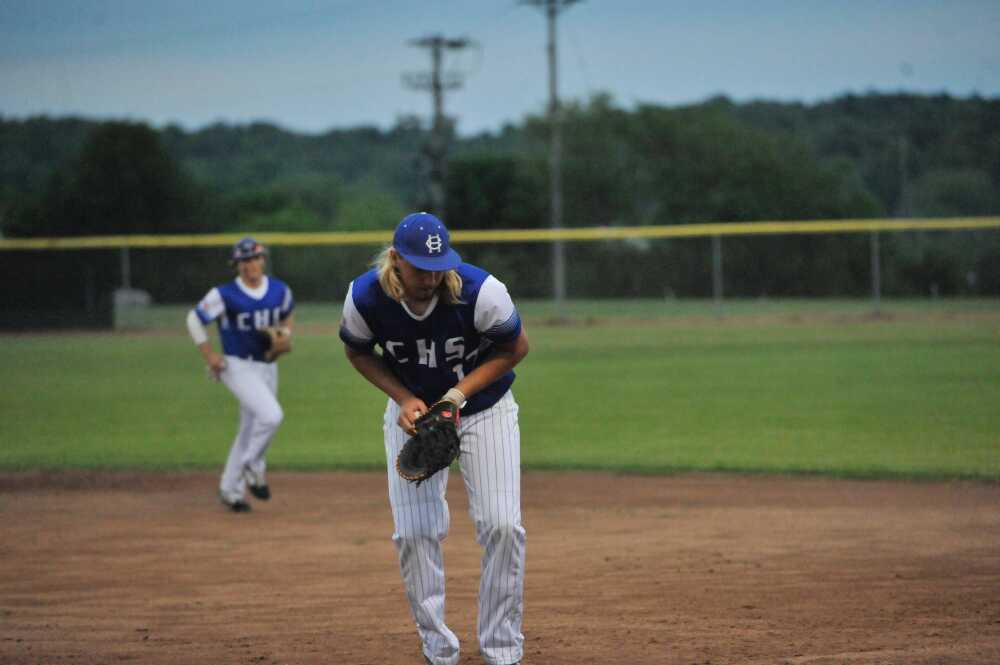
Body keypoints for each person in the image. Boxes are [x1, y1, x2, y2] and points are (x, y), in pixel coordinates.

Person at [339, 212, 530, 665]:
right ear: (394, 261)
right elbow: (357, 351)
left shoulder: (481, 292)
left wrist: (456, 397)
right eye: (420, 268)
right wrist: (403, 397)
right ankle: (437, 649)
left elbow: (516, 347)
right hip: (413, 416)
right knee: (415, 533)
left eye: (438, 265)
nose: (430, 277)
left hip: (484, 409)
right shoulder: (365, 297)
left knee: (503, 525)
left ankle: (502, 650)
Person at [186, 237, 295, 512]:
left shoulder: (279, 290)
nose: (249, 265)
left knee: (248, 430)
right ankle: (252, 465)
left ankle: (230, 491)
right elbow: (194, 319)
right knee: (272, 416)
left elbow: (287, 316)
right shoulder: (224, 294)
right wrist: (210, 355)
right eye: (243, 261)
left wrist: (284, 335)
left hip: (268, 366)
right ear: (236, 265)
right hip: (236, 366)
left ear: (262, 260)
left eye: (253, 258)